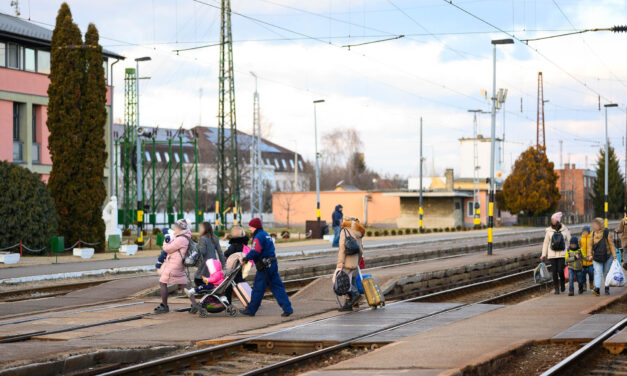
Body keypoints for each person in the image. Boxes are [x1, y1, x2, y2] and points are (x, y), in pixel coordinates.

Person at [240, 218, 293, 317]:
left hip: (264, 267)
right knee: (278, 287)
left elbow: (255, 251)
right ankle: (288, 308)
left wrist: (246, 258)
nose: (250, 229)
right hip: (272, 264)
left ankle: (251, 310)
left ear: (255, 227)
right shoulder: (265, 234)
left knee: (258, 289)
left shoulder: (258, 237)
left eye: (250, 227)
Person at [155, 219, 197, 314]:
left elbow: (167, 248)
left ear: (179, 228)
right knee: (184, 285)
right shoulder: (184, 237)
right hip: (179, 264)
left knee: (162, 282)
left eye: (175, 227)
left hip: (174, 265)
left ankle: (164, 306)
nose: (174, 229)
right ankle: (195, 304)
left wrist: (166, 239)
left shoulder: (181, 239)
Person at [332, 216, 365, 311]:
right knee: (348, 282)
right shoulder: (358, 233)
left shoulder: (345, 231)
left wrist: (340, 262)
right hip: (354, 262)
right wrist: (357, 262)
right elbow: (360, 250)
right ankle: (348, 304)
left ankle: (355, 295)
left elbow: (342, 248)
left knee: (337, 280)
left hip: (346, 261)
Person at [541, 212, 571, 294]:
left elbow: (569, 241)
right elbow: (546, 243)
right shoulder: (549, 231)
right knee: (554, 271)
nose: (552, 221)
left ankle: (562, 283)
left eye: (553, 219)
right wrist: (543, 254)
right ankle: (556, 288)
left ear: (558, 220)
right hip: (552, 255)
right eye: (552, 219)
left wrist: (572, 251)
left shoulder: (565, 229)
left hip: (562, 254)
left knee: (560, 270)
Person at [589, 217, 618, 296]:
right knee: (597, 272)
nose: (594, 226)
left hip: (607, 256)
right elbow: (590, 245)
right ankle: (597, 289)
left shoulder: (606, 233)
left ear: (600, 225)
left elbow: (611, 244)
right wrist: (590, 254)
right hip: (597, 256)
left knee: (606, 272)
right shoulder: (593, 233)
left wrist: (614, 255)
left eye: (596, 224)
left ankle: (607, 288)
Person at [193, 222, 225, 288]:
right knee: (210, 278)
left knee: (198, 279)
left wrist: (197, 247)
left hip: (205, 263)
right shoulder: (215, 237)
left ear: (205, 229)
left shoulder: (202, 238)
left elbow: (203, 252)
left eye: (201, 228)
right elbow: (220, 252)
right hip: (214, 263)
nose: (199, 229)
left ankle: (203, 289)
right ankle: (207, 289)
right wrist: (223, 263)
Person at [223, 226, 250, 303]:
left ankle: (227, 302)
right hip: (242, 268)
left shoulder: (234, 245)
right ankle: (250, 300)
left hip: (234, 270)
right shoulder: (244, 245)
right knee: (243, 286)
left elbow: (226, 254)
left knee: (228, 287)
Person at [580, 226, 594, 290]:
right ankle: (584, 284)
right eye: (584, 231)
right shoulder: (580, 239)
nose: (585, 233)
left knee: (591, 273)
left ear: (588, 232)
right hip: (583, 261)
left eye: (586, 231)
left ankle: (591, 283)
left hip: (590, 261)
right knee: (583, 274)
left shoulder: (591, 238)